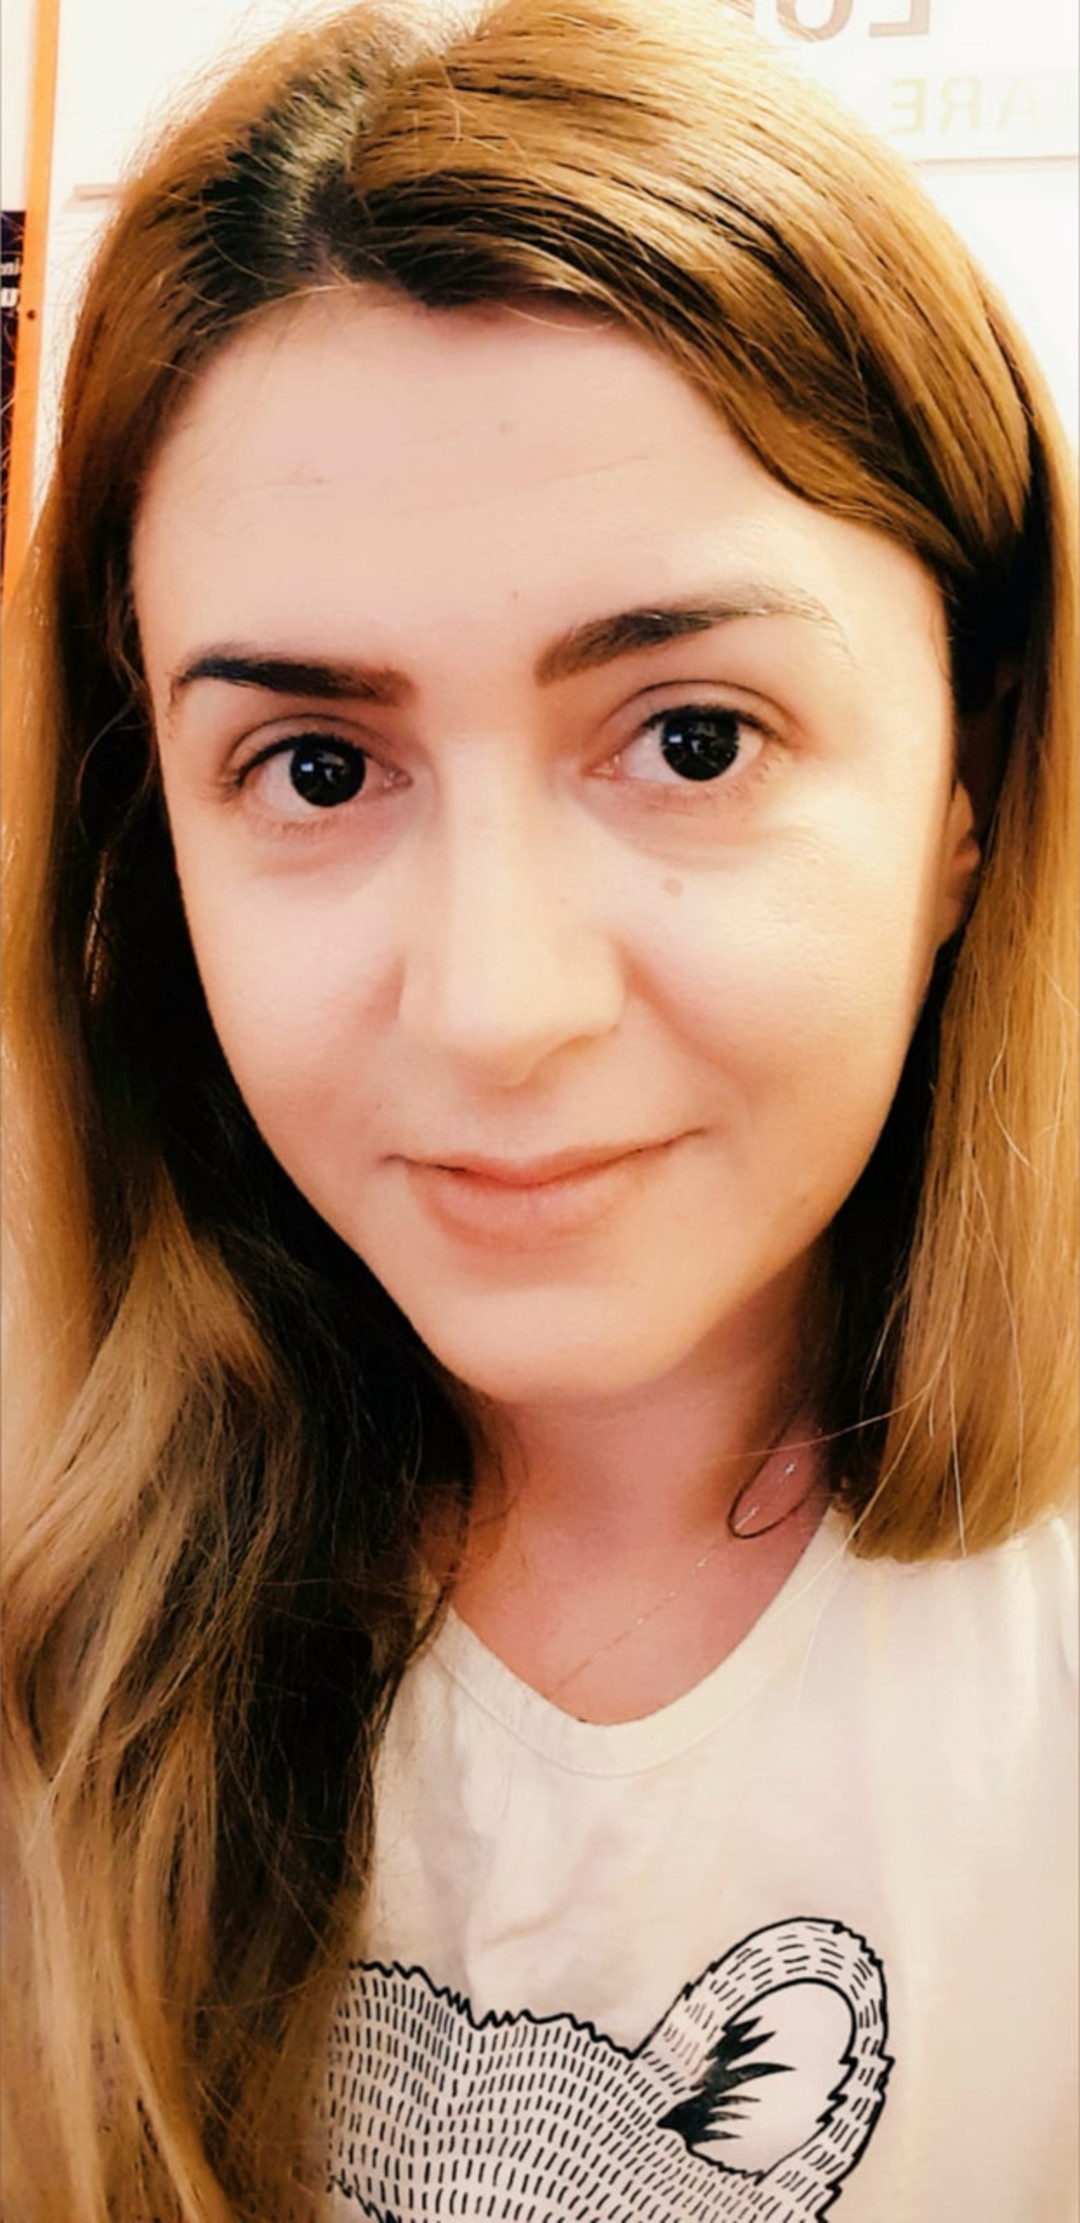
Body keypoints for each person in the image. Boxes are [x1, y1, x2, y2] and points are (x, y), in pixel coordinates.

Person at [3, 0, 1076, 2216]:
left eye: (691, 739)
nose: (498, 1008)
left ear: (969, 790)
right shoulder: (63, 1596)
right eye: (316, 767)